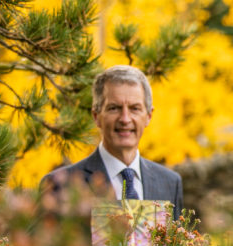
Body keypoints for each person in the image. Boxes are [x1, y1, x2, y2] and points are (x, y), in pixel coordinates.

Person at [40, 65, 183, 220]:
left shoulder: (170, 183)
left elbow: (174, 243)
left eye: (135, 108)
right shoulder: (60, 184)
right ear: (96, 116)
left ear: (148, 115)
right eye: (114, 108)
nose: (125, 119)